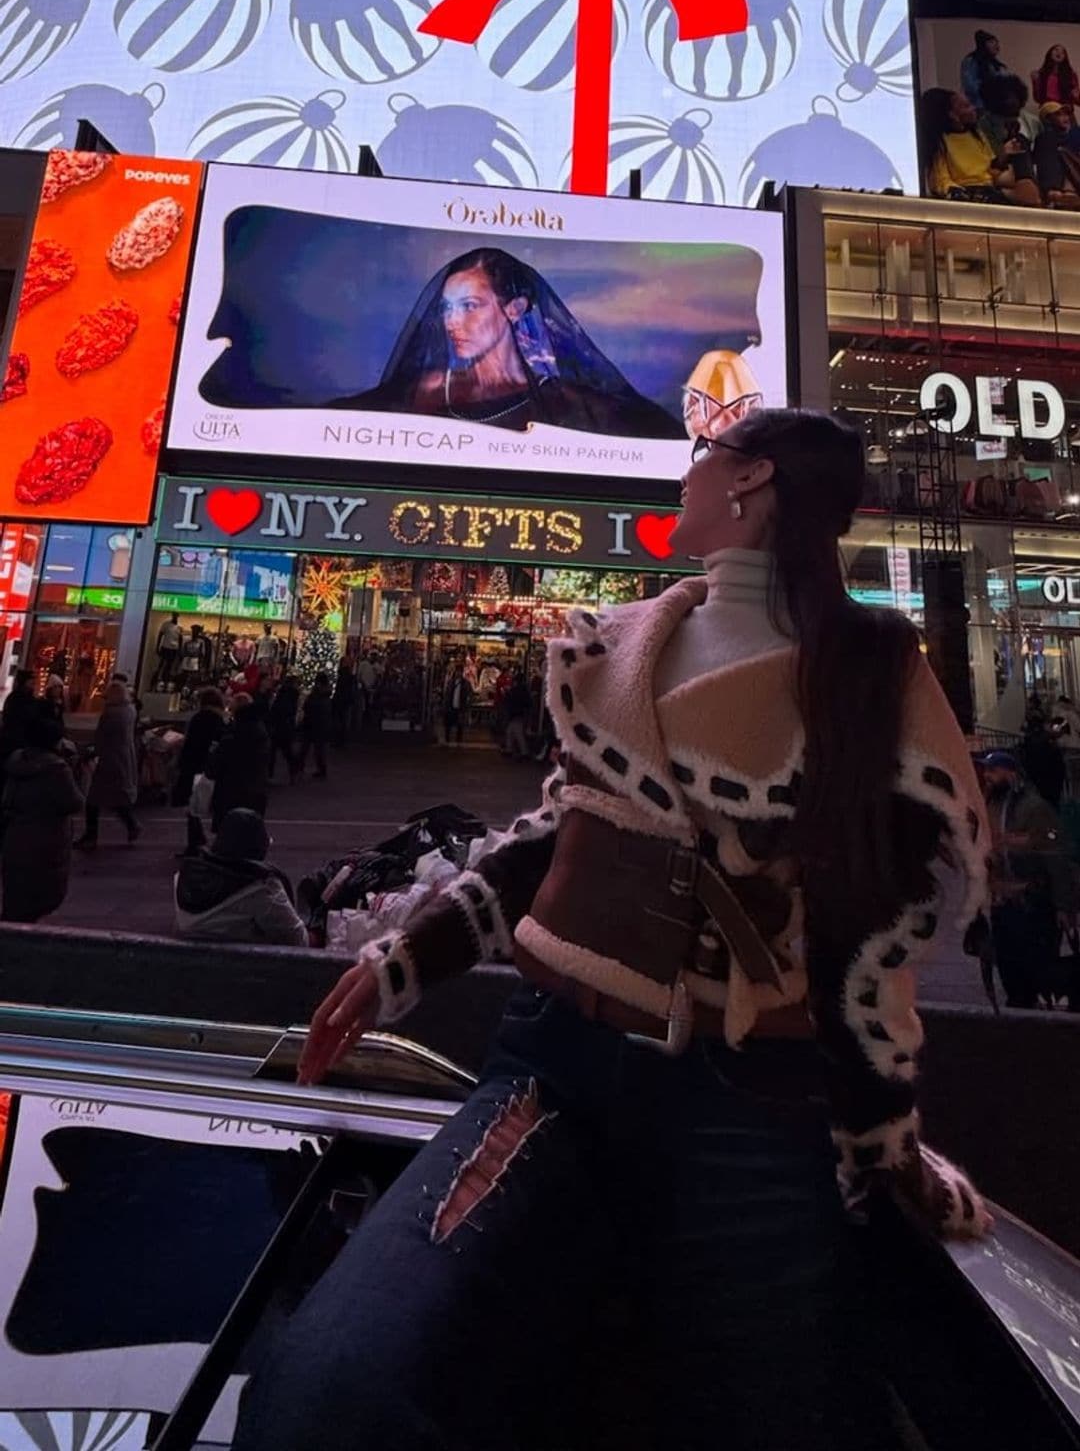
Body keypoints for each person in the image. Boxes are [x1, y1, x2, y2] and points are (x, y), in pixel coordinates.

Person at [234, 410, 991, 1451]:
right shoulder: (628, 638)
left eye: (700, 462)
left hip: (757, 1109)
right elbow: (560, 834)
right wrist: (404, 962)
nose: (681, 481)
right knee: (331, 1388)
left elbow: (871, 947)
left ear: (752, 483)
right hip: (553, 1067)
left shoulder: (867, 668)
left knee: (778, 1419)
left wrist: (879, 1142)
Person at [331, 247, 685, 439]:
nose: (453, 322)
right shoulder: (423, 391)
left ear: (514, 309)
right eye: (447, 308)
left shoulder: (572, 406)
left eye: (470, 306)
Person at [977, 750, 1077, 1008]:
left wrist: (1064, 905)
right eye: (986, 770)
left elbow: (1055, 857)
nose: (987, 776)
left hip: (1033, 903)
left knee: (1038, 967)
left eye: (993, 770)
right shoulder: (988, 805)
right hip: (1002, 904)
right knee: (1009, 967)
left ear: (1011, 774)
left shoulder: (1034, 808)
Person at [174, 808, 306, 946]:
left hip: (186, 961)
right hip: (244, 964)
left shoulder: (185, 876)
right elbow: (298, 940)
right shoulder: (261, 888)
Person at [1, 712, 84, 922]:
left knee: (16, 887)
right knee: (41, 889)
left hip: (16, 832)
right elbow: (73, 802)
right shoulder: (56, 769)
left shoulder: (17, 762)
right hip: (47, 836)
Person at [921, 88, 1041, 206]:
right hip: (968, 192)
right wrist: (956, 192)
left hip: (990, 186)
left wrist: (1004, 155)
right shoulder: (941, 142)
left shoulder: (976, 134)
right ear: (952, 115)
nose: (973, 108)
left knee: (1020, 143)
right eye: (966, 106)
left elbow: (989, 166)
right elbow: (940, 180)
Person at [77, 679, 140, 847]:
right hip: (124, 757)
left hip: (110, 759)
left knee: (94, 799)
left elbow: (101, 737)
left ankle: (92, 835)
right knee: (116, 797)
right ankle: (131, 824)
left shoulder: (110, 714)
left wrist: (91, 751)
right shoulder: (129, 711)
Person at [172, 687, 227, 850]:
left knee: (192, 804)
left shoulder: (200, 719)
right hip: (207, 765)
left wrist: (180, 761)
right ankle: (197, 839)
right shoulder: (219, 720)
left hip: (194, 765)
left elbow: (191, 744)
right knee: (196, 803)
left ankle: (195, 841)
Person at [207, 693, 271, 829]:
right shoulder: (261, 735)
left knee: (228, 830)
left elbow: (213, 768)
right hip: (255, 791)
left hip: (230, 793)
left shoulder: (231, 739)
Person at [976, 72, 1039, 169]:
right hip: (1004, 167)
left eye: (1014, 96)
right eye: (1005, 97)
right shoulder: (984, 124)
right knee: (1019, 141)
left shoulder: (1032, 121)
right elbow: (988, 158)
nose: (1011, 101)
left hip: (1035, 166)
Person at [1034, 102, 1080, 208]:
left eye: (1066, 114)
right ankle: (1055, 192)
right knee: (1049, 142)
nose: (1065, 117)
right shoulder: (1044, 139)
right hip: (1061, 181)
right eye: (1058, 114)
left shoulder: (1076, 133)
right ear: (1048, 119)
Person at [1021, 703, 1067, 807]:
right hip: (1050, 779)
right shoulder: (1048, 740)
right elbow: (1059, 764)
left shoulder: (1030, 740)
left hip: (1040, 778)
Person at [960, 28, 1012, 110]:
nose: (996, 45)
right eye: (991, 42)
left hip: (996, 107)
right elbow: (969, 86)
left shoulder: (995, 64)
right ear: (983, 44)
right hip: (979, 107)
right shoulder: (971, 61)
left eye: (996, 42)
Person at [296, 672, 332, 780]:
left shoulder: (315, 694)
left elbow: (307, 706)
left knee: (306, 747)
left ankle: (299, 767)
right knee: (318, 749)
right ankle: (321, 769)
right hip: (320, 724)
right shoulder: (326, 695)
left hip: (312, 722)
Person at [0, 669, 37, 769]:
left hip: (22, 738)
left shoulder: (28, 698)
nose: (34, 683)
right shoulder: (17, 698)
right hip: (15, 739)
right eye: (31, 680)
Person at [268, 674, 301, 780]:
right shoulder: (292, 694)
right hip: (285, 725)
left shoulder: (284, 693)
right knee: (286, 750)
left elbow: (278, 709)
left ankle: (270, 773)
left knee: (275, 750)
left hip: (280, 725)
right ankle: (293, 770)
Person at [1031, 43, 1080, 112]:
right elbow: (1038, 99)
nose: (1059, 52)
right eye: (1056, 50)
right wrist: (1035, 82)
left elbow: (1077, 100)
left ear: (1065, 57)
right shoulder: (1041, 74)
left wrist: (1076, 96)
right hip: (1047, 111)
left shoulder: (1071, 74)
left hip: (1064, 111)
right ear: (1050, 53)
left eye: (1063, 52)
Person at [501, 670, 531, 759]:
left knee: (517, 733)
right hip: (520, 713)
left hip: (515, 713)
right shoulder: (524, 690)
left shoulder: (515, 690)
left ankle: (523, 752)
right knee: (511, 731)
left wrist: (506, 693)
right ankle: (509, 749)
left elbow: (509, 700)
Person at [441, 662, 471, 746]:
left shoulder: (465, 683)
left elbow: (469, 694)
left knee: (459, 725)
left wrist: (466, 704)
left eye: (460, 672)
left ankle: (458, 740)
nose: (458, 673)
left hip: (460, 706)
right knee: (448, 724)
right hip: (451, 706)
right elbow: (447, 694)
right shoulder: (451, 682)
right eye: (457, 671)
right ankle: (447, 739)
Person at [331, 658, 358, 747]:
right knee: (344, 721)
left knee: (339, 720)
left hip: (341, 700)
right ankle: (342, 740)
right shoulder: (349, 676)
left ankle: (338, 740)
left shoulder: (341, 675)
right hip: (345, 700)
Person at [154, 613, 184, 689]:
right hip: (165, 647)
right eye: (174, 616)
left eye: (176, 616)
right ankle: (157, 680)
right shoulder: (166, 624)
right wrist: (158, 646)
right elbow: (160, 635)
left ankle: (166, 681)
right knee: (161, 664)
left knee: (169, 666)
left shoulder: (179, 626)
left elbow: (180, 639)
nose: (175, 617)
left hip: (174, 649)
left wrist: (180, 650)